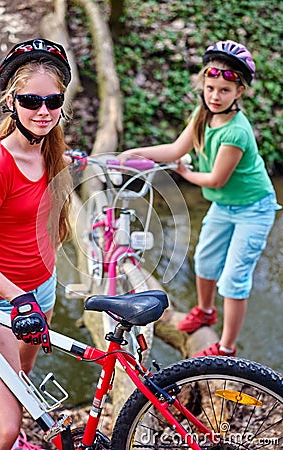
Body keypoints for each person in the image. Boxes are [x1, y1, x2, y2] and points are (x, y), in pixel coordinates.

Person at [119, 40, 280, 358]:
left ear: (239, 93)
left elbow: (215, 179)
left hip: (254, 209)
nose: (215, 96)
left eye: (224, 91)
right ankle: (205, 311)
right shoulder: (203, 114)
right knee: (204, 260)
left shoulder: (237, 132)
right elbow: (176, 149)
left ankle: (226, 348)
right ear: (203, 86)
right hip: (224, 205)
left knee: (234, 277)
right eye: (210, 88)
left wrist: (183, 173)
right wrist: (134, 153)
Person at [0, 38, 75, 450]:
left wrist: (37, 292)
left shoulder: (51, 152)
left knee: (22, 388)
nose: (43, 111)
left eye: (52, 101)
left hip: (41, 289)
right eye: (30, 100)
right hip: (3, 302)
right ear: (11, 101)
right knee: (5, 428)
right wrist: (19, 298)